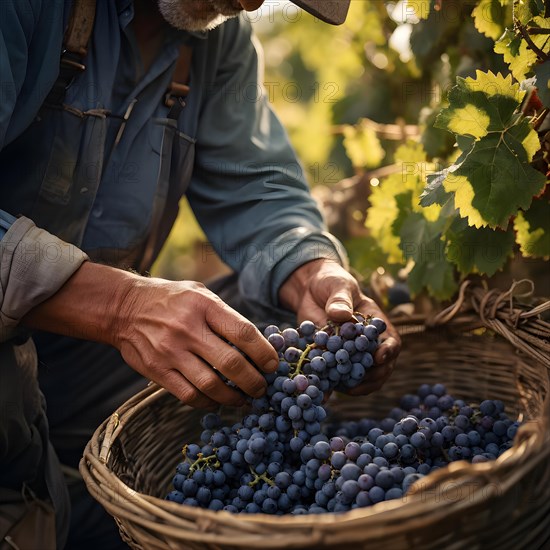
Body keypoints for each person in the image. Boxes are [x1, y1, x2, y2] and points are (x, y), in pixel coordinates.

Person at [0, 0, 401, 547]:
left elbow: (256, 185)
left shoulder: (218, 39)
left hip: (74, 361)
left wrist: (313, 271)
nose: (253, 2)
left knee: (272, 336)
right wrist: (121, 306)